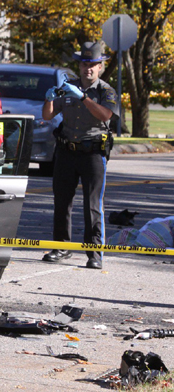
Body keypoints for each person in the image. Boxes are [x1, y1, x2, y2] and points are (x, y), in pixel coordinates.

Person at [41, 41, 119, 270]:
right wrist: (49, 98)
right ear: (79, 66)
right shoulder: (68, 87)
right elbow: (47, 115)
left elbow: (105, 115)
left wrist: (84, 98)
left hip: (92, 153)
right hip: (66, 151)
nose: (88, 68)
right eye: (85, 64)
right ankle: (61, 247)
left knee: (92, 205)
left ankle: (94, 253)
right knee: (61, 202)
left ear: (100, 67)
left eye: (93, 64)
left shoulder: (106, 91)